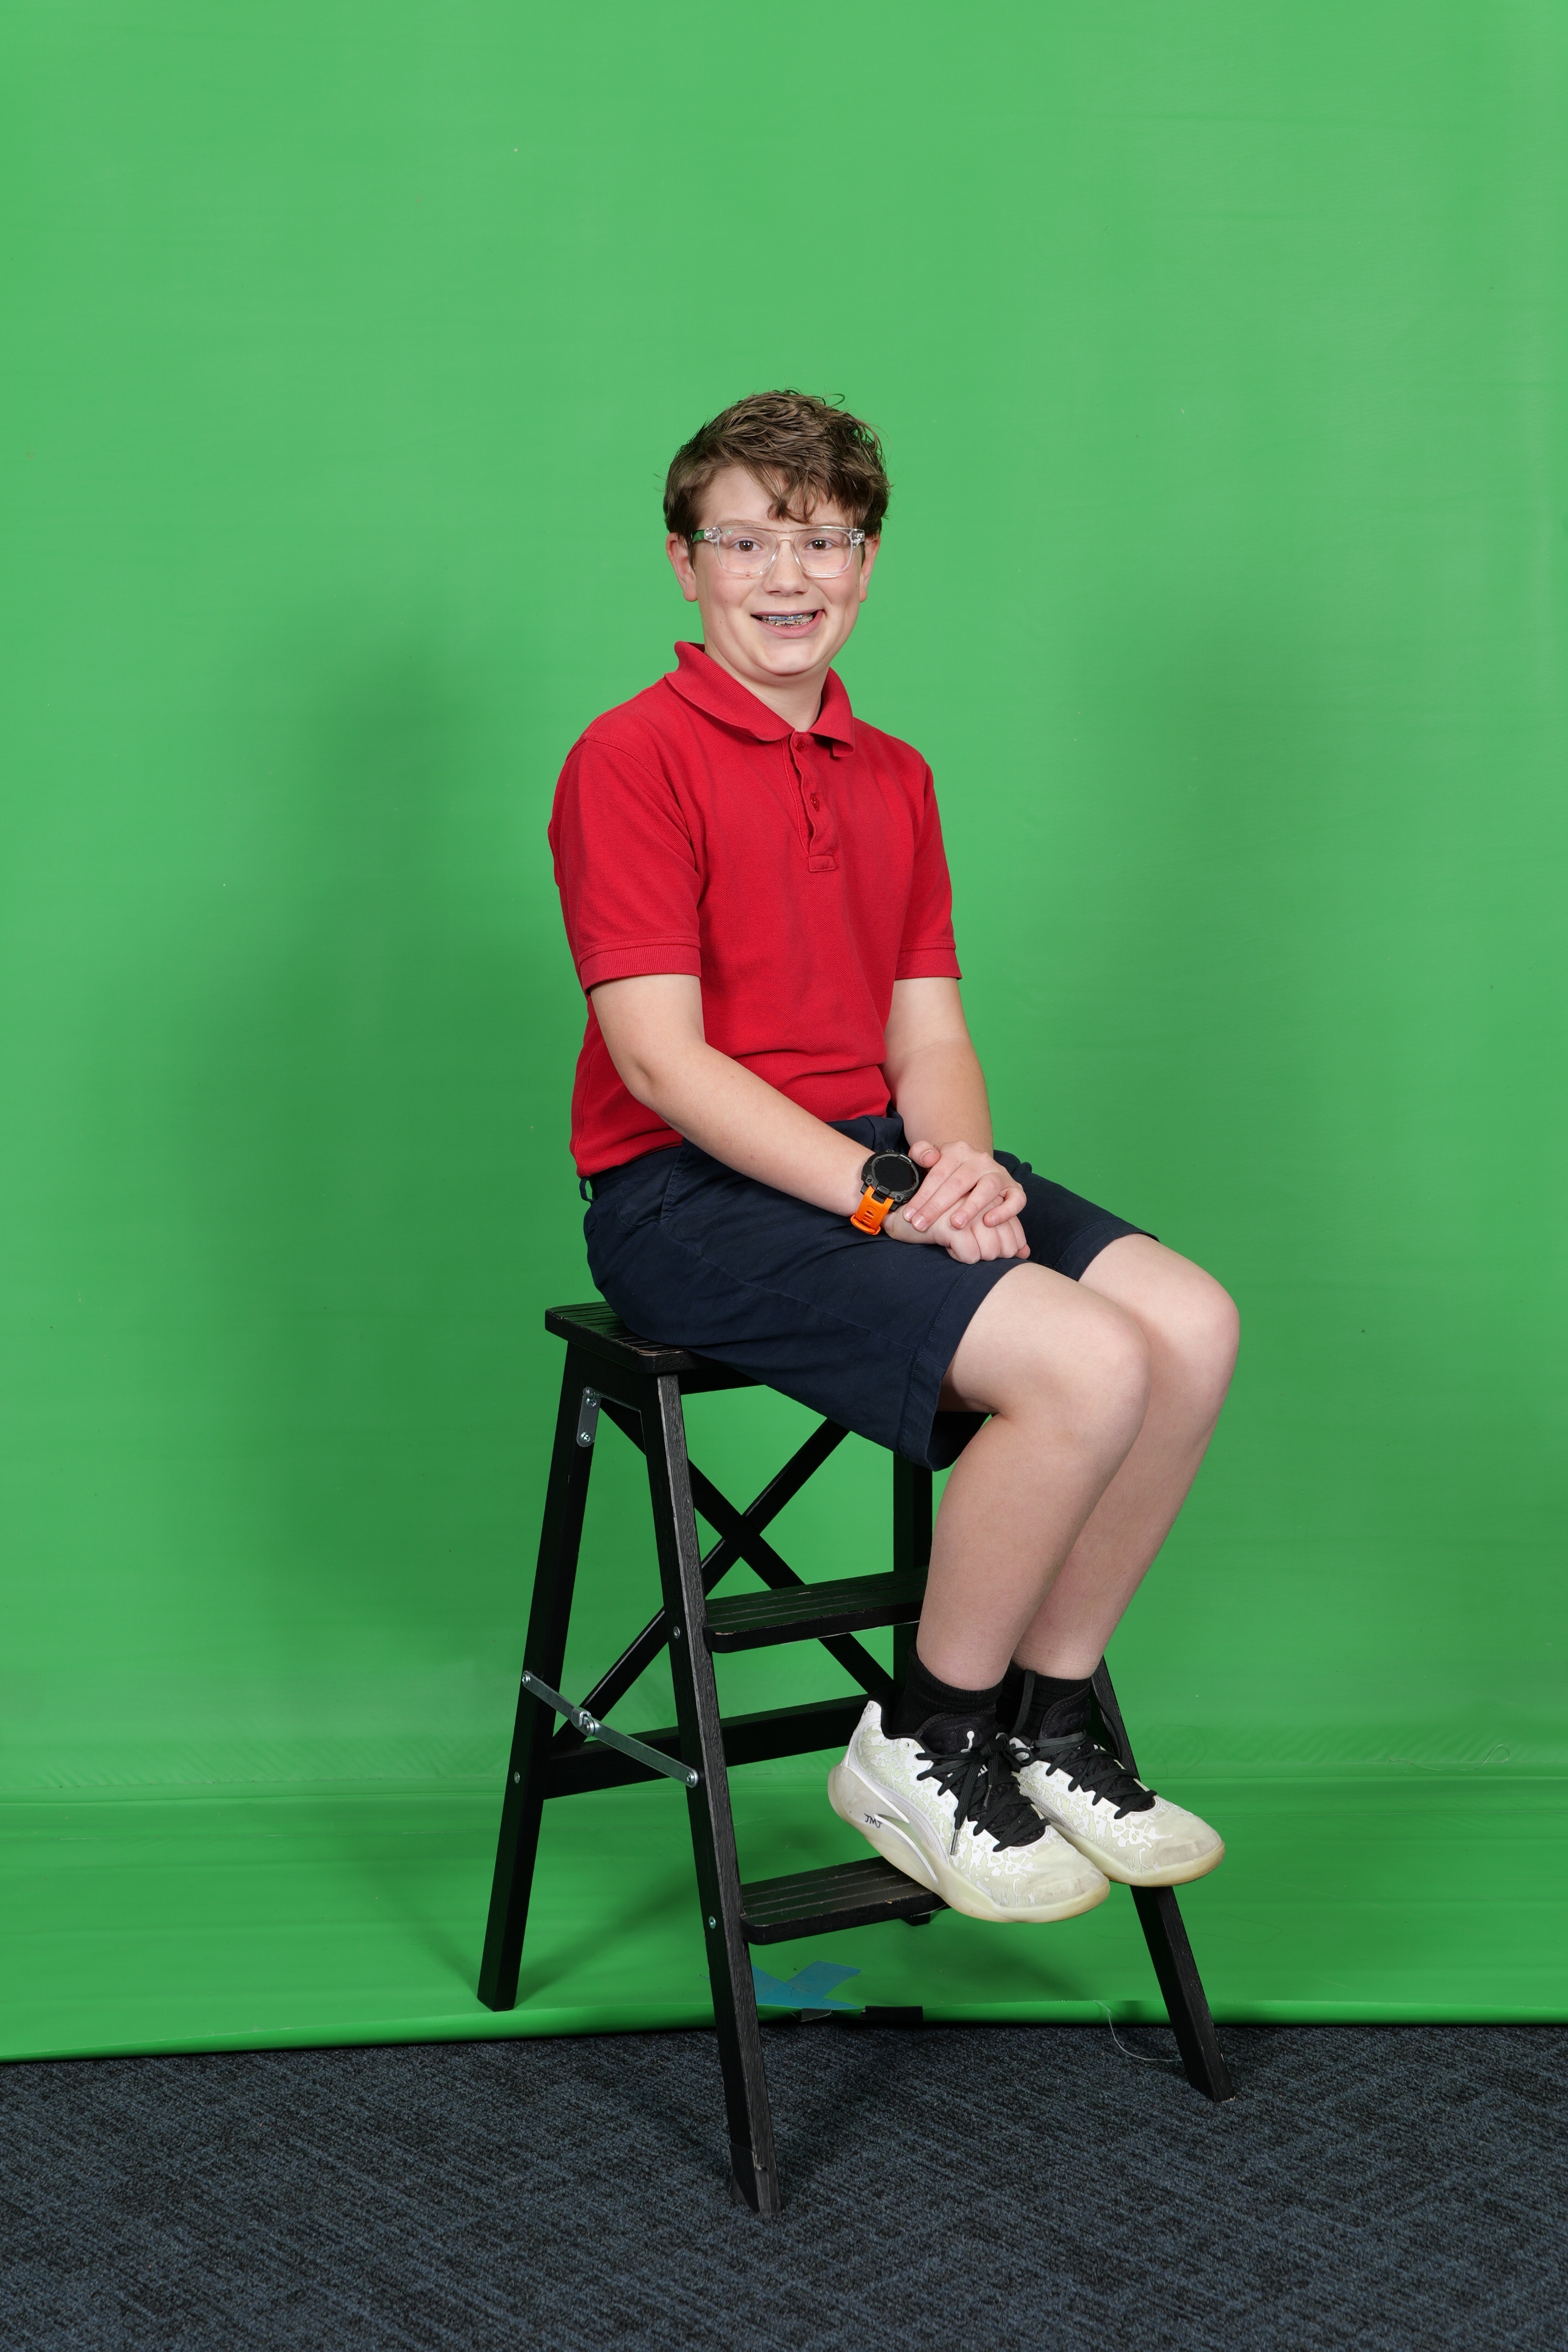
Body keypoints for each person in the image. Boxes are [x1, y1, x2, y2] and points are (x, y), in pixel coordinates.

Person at [548, 390, 1239, 1928]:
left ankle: (1047, 1723)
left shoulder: (894, 773)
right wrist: (886, 1197)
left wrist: (959, 1167)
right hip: (682, 1195)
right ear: (684, 562)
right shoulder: (630, 758)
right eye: (746, 542)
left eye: (824, 541)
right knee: (1084, 1364)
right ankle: (925, 1739)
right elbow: (661, 1063)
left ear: (866, 561)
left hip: (880, 1155)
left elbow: (928, 1028)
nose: (787, 576)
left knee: (1190, 1325)